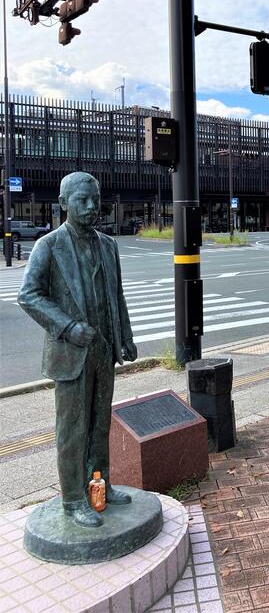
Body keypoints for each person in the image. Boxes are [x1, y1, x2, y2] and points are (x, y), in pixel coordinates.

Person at [18, 172, 137, 528]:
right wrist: (68, 326)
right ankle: (73, 500)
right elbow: (28, 295)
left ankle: (100, 484)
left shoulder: (108, 245)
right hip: (71, 354)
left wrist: (125, 336)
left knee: (100, 425)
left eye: (94, 200)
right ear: (63, 203)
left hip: (104, 350)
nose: (90, 207)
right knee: (72, 430)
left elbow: (116, 295)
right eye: (82, 200)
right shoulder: (49, 245)